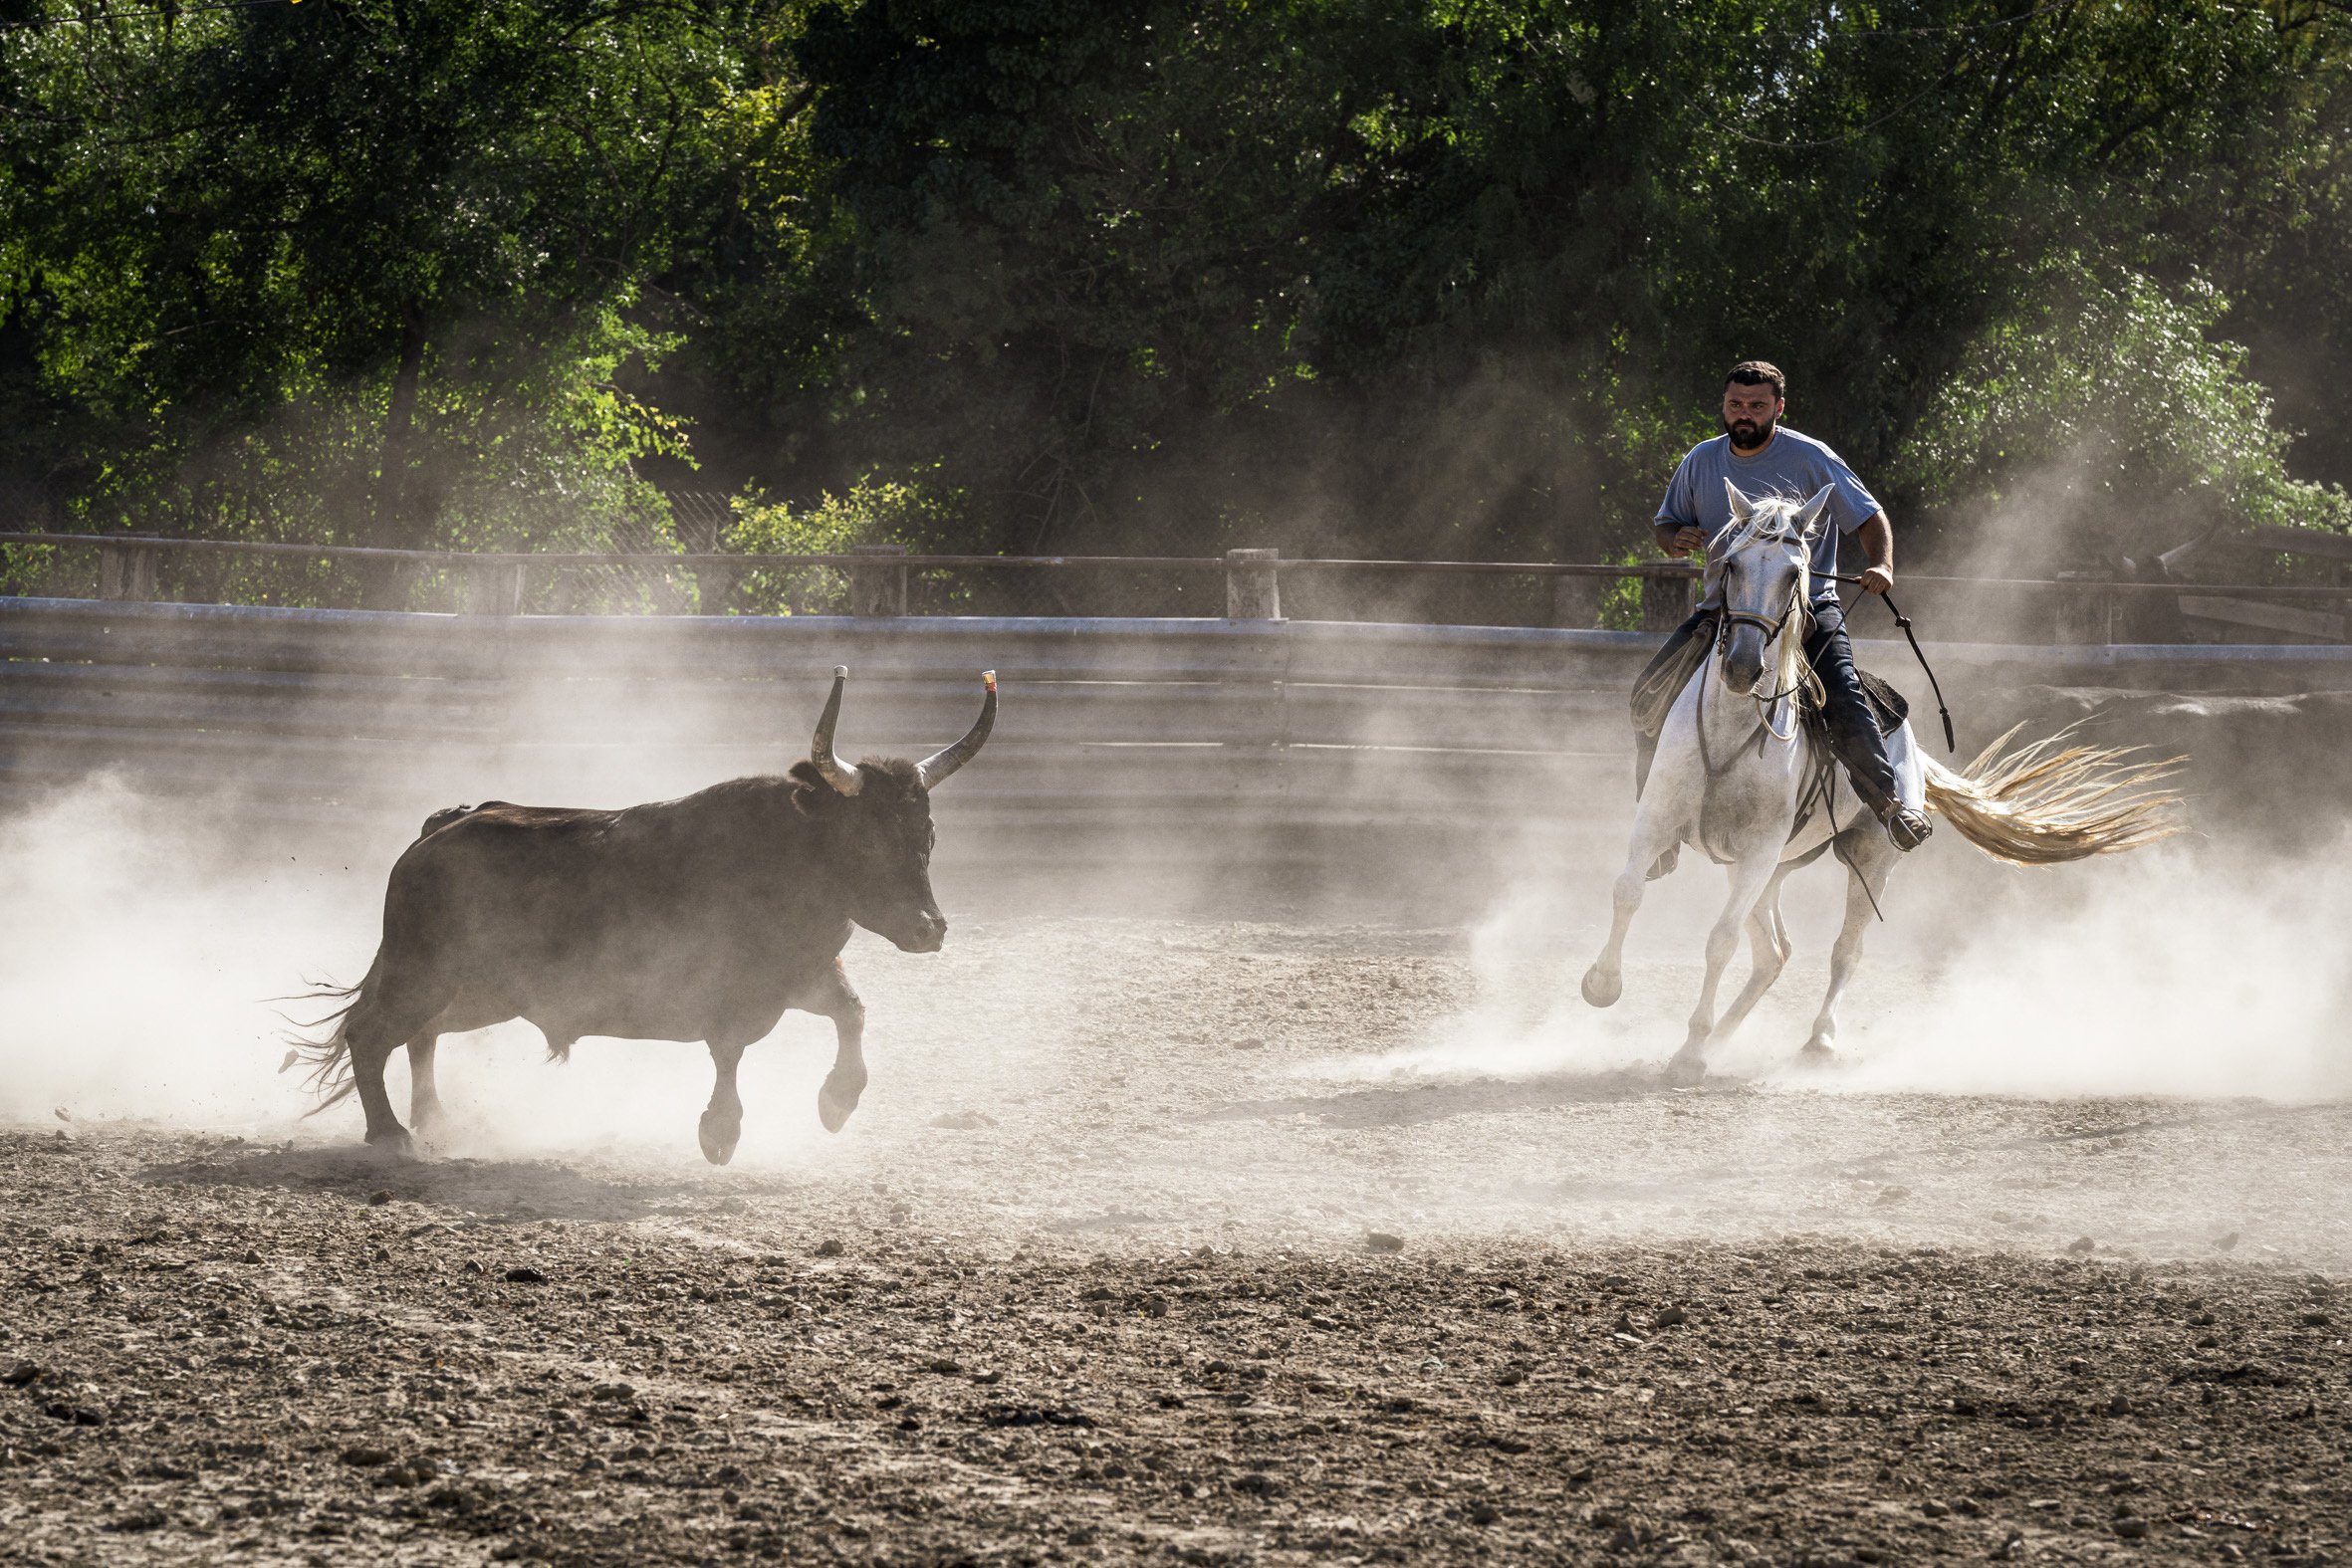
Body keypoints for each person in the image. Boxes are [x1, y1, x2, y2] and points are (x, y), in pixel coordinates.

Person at [1637, 360, 1933, 855]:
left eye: (1756, 406)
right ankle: (1657, 828)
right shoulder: (1702, 461)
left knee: (1842, 691)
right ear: (1724, 406)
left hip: (1807, 610)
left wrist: (1882, 564)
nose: (1744, 414)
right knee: (1648, 695)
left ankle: (1888, 805)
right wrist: (1675, 539)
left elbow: (1870, 516)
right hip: (1722, 613)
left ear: (1778, 407)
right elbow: (1666, 524)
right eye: (1735, 405)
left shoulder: (1811, 458)